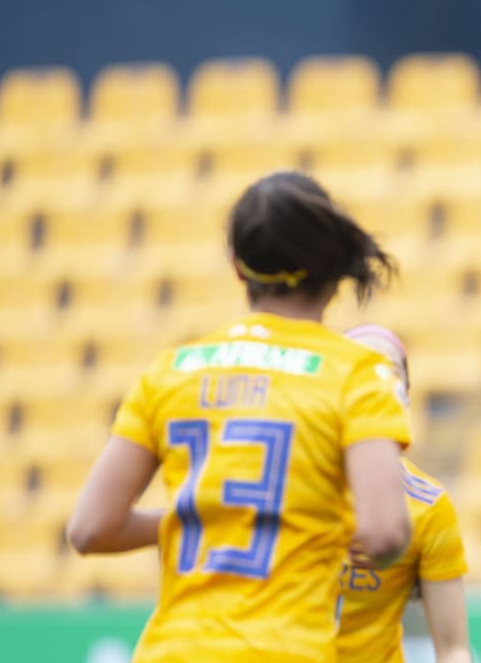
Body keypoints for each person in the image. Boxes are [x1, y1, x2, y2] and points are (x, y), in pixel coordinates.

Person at [67, 170, 413, 662]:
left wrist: (208, 515)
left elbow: (89, 529)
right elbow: (384, 535)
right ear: (332, 265)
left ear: (237, 266)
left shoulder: (172, 370)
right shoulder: (357, 376)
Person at [337, 324, 472, 663]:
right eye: (363, 369)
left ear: (407, 395)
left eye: (390, 372)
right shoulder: (292, 487)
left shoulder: (429, 507)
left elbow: (453, 648)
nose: (378, 383)